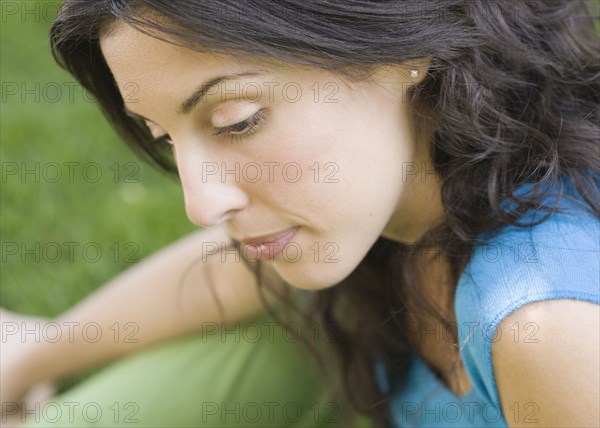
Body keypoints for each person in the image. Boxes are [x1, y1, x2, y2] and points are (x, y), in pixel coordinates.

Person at [1, 1, 598, 427]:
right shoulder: (397, 201)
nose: (202, 204)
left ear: (403, 46)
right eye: (163, 136)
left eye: (239, 120)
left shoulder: (545, 330)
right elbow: (232, 275)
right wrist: (28, 357)